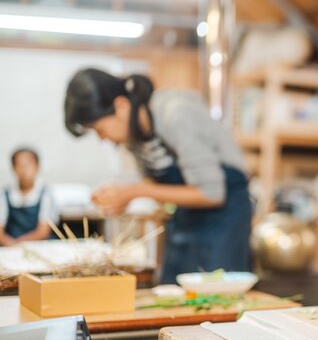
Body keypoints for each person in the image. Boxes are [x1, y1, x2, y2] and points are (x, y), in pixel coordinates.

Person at [64, 69, 252, 283]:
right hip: (186, 217)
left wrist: (135, 191)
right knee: (174, 291)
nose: (101, 138)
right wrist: (122, 197)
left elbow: (212, 193)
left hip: (224, 217)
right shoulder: (134, 136)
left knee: (216, 298)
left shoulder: (176, 113)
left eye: (98, 129)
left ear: (121, 106)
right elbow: (158, 186)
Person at [0, 148, 58, 246]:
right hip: (10, 246)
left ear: (37, 167)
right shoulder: (5, 194)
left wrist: (19, 243)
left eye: (28, 165)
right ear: (13, 168)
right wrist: (10, 243)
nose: (24, 170)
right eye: (20, 165)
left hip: (39, 246)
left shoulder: (45, 194)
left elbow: (43, 231)